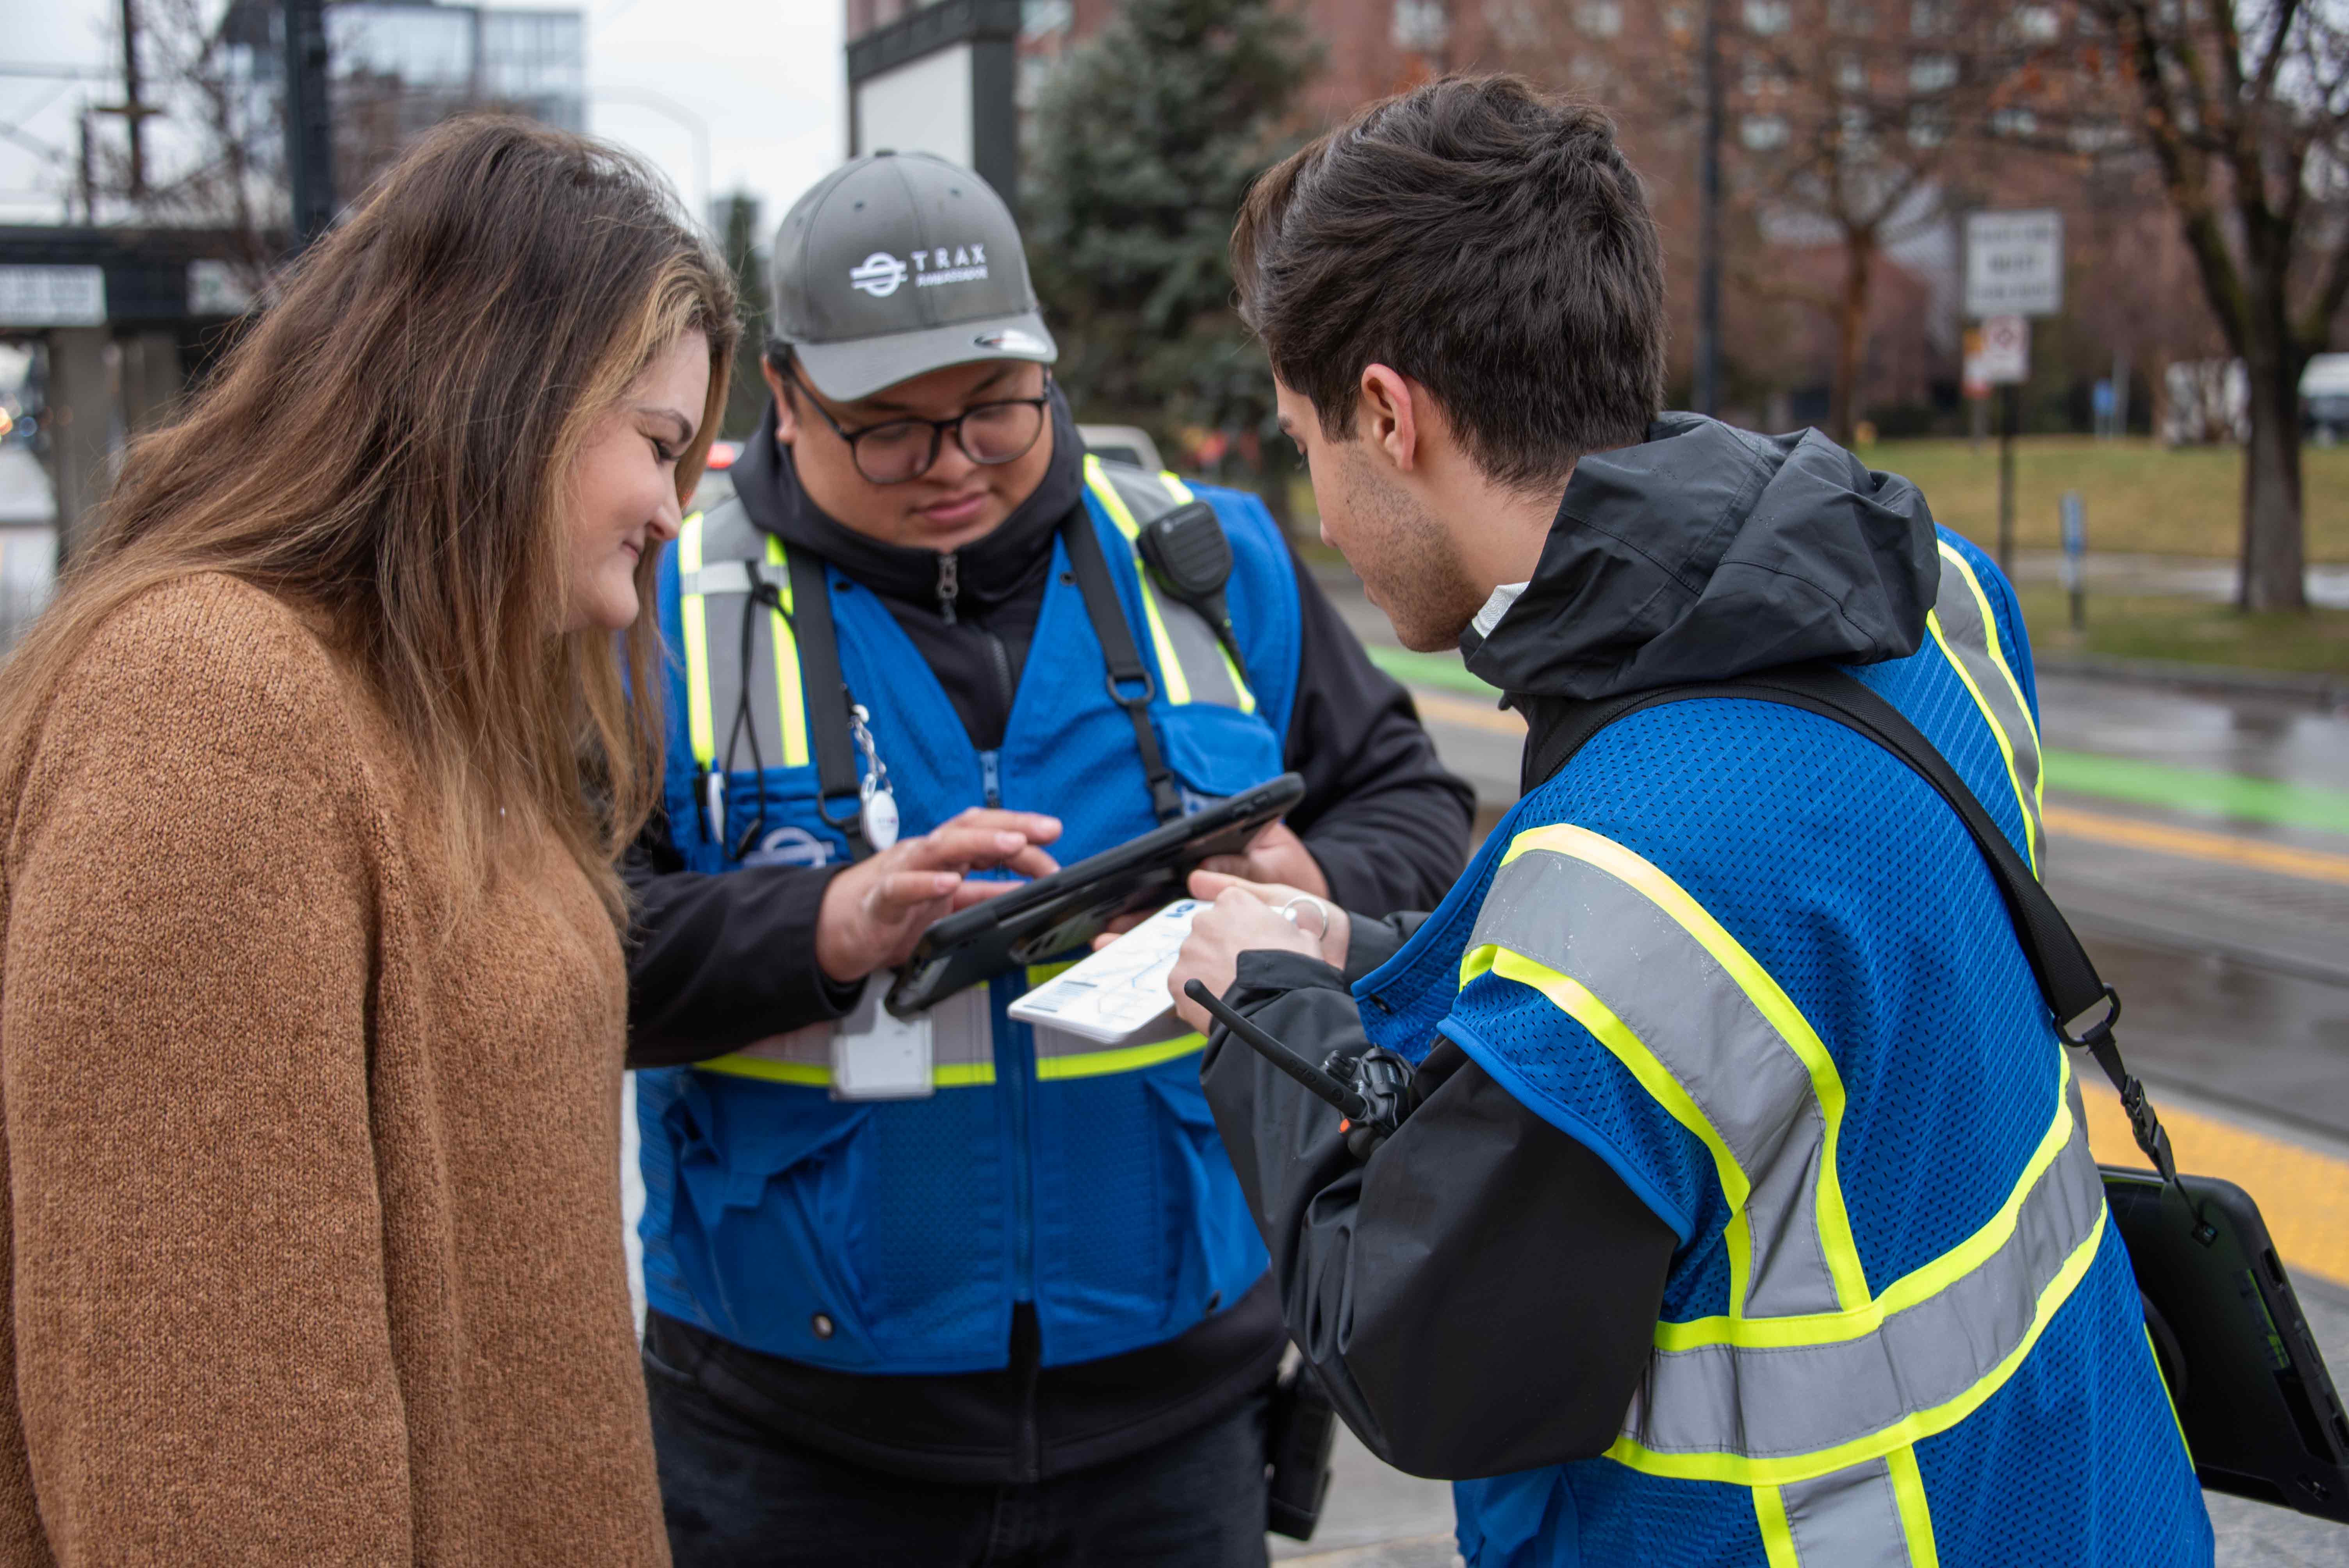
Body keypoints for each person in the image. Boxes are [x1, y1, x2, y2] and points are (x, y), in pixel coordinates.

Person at [1170, 75, 2214, 1568]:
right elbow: (1786, 1002)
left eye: (1303, 444)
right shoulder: (1937, 603)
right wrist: (1368, 945)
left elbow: (1419, 1355)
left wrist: (1267, 1007)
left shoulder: (1647, 875)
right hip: (2080, 1500)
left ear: (1391, 418)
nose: (1320, 513)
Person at [624, 150, 1473, 1565]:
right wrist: (827, 928)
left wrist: (1304, 886)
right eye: (888, 429)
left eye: (995, 415)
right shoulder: (667, 608)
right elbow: (574, 950)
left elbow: (1413, 809)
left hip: (1174, 1412)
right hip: (794, 1436)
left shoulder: (1211, 562)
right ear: (784, 393)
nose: (952, 466)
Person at [0, 117, 735, 1563]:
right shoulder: (212, 701)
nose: (673, 508)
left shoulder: (414, 713)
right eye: (656, 445)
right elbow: (200, 1440)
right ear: (505, 395)